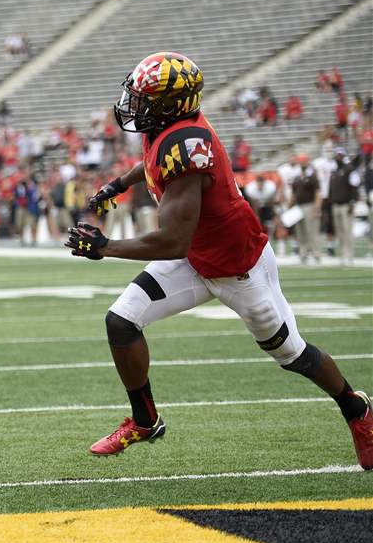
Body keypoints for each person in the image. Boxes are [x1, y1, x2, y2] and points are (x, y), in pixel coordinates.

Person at [65, 52, 372, 470]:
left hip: (237, 268)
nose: (132, 105)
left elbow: (173, 241)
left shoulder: (187, 147)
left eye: (144, 98)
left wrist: (104, 247)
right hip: (197, 257)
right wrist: (116, 184)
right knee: (121, 320)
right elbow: (153, 160)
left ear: (171, 104)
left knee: (293, 356)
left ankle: (356, 409)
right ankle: (145, 419)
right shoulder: (165, 128)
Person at [328, 148, 361, 265]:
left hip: (346, 205)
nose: (338, 157)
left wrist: (353, 202)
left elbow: (355, 185)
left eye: (340, 155)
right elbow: (331, 190)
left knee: (347, 230)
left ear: (344, 156)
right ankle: (343, 254)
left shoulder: (349, 169)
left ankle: (350, 255)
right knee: (340, 232)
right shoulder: (334, 171)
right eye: (336, 155)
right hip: (336, 205)